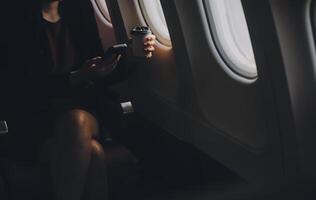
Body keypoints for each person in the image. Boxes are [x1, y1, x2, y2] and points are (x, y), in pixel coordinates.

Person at [0, 0, 156, 199]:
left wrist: (133, 56)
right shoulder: (10, 15)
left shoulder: (78, 7)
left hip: (83, 110)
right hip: (36, 117)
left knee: (76, 121)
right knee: (94, 153)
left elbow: (98, 72)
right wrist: (75, 77)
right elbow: (17, 87)